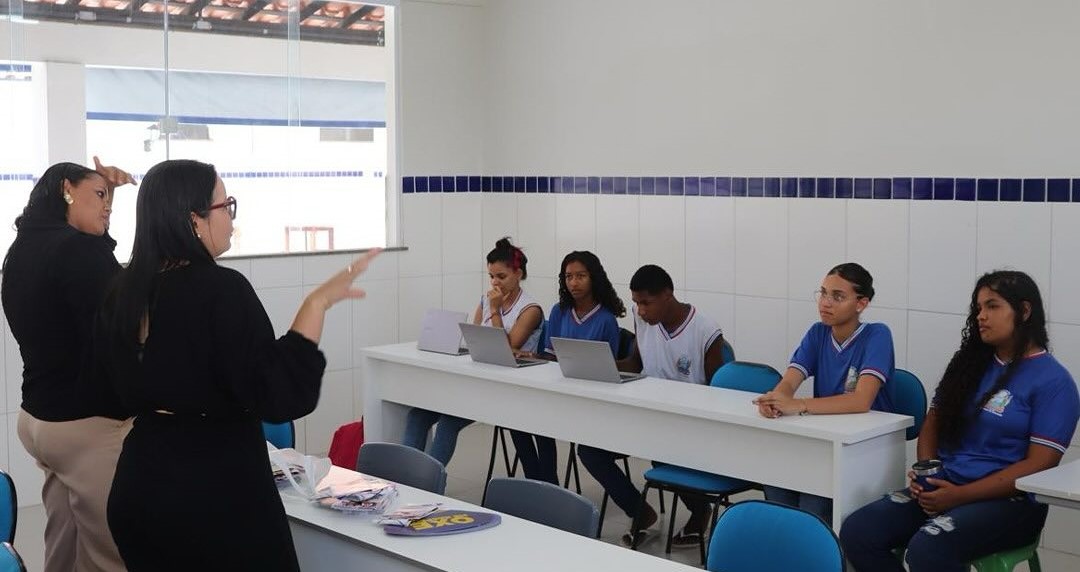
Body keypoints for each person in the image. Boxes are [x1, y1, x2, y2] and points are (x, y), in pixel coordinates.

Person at [95, 159, 381, 570]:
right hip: (214, 495)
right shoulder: (221, 289)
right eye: (224, 205)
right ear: (194, 220)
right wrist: (316, 304)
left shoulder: (122, 291)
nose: (230, 217)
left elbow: (112, 391)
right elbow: (278, 394)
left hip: (140, 486)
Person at [840, 271, 1079, 572]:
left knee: (927, 549)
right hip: (948, 485)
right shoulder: (970, 365)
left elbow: (1039, 465)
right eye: (978, 308)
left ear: (1025, 311)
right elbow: (933, 423)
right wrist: (927, 473)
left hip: (1010, 502)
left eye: (992, 306)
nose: (981, 316)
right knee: (858, 532)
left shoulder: (1054, 382)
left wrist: (960, 495)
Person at [2, 157, 135, 572]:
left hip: (39, 422)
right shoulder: (75, 249)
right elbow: (121, 320)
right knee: (111, 552)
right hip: (86, 428)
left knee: (64, 541)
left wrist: (101, 207)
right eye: (99, 195)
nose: (108, 205)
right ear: (66, 189)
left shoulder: (22, 247)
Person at [578, 264, 726, 547]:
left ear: (668, 295)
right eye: (636, 303)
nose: (641, 311)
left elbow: (716, 393)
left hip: (685, 422)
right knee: (590, 450)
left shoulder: (706, 330)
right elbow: (636, 364)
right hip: (644, 415)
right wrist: (598, 364)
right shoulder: (642, 318)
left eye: (646, 303)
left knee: (661, 451)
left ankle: (699, 512)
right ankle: (640, 512)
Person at [754, 262, 895, 521]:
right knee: (774, 477)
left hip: (863, 446)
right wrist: (775, 399)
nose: (825, 303)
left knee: (813, 498)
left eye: (838, 297)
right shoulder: (818, 333)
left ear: (861, 304)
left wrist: (799, 405)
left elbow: (861, 401)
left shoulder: (877, 335)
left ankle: (813, 555)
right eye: (823, 293)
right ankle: (784, 552)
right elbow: (789, 382)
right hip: (824, 440)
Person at [402, 237, 543, 466]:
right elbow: (475, 337)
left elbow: (506, 350)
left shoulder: (530, 309)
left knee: (448, 421)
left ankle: (429, 481)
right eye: (491, 276)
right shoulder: (486, 300)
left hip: (508, 388)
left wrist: (495, 310)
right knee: (417, 415)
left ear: (518, 274)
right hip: (479, 380)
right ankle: (404, 477)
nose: (495, 283)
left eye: (502, 276)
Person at [508, 250, 625, 485]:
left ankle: (548, 483)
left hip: (590, 398)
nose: (573, 282)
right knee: (516, 419)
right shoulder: (559, 311)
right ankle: (538, 482)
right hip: (559, 390)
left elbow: (607, 368)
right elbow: (551, 358)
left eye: (580, 276)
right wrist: (533, 356)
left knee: (542, 421)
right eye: (568, 277)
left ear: (594, 278)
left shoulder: (606, 319)